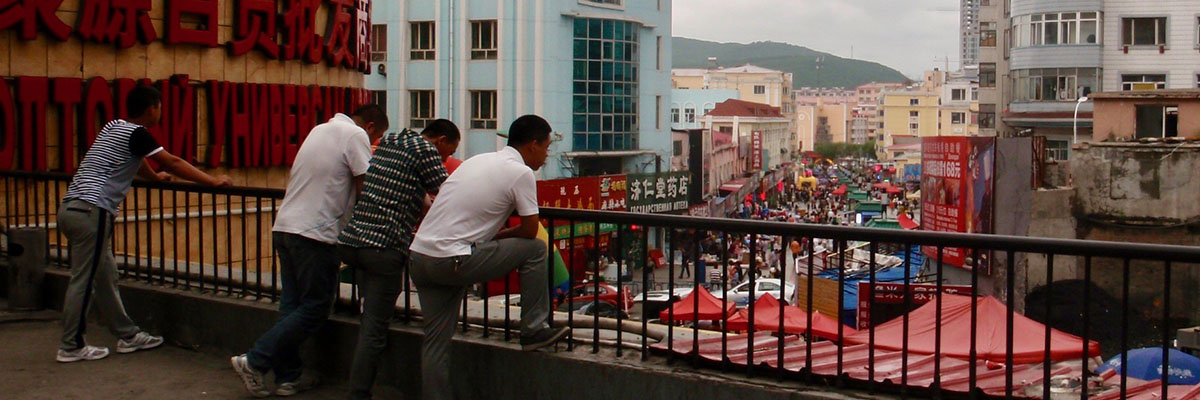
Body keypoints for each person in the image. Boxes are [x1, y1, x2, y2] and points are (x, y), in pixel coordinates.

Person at [55, 85, 233, 363]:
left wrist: (154, 178)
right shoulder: (138, 133)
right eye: (159, 107)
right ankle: (71, 346)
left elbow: (135, 162)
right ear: (152, 108)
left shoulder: (114, 127)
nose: (160, 112)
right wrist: (212, 181)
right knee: (84, 280)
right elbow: (171, 161)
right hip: (94, 211)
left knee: (105, 275)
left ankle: (128, 335)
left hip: (71, 208)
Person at [231, 104, 388, 398]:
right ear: (369, 127)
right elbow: (365, 187)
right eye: (376, 138)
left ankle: (287, 378)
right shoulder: (354, 135)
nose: (373, 144)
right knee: (316, 307)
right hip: (316, 235)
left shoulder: (319, 130)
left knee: (291, 306)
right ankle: (255, 360)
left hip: (286, 227)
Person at [408, 115, 569, 400]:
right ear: (532, 145)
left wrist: (488, 237)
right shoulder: (521, 173)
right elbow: (532, 231)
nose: (546, 155)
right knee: (536, 250)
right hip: (453, 259)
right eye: (546, 148)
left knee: (435, 343)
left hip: (421, 257)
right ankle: (533, 329)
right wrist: (497, 237)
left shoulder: (477, 160)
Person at [338, 119, 460, 400]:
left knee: (367, 316)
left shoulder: (392, 141)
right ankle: (358, 393)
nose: (443, 159)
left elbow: (400, 185)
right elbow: (448, 193)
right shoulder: (426, 151)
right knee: (373, 328)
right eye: (446, 153)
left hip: (353, 241)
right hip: (384, 247)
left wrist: (420, 200)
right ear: (440, 140)